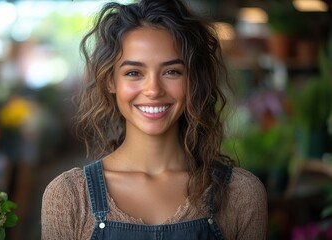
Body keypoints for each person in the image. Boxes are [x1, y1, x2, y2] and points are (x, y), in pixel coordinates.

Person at [42, 0, 268, 239]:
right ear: (110, 81)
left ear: (193, 80)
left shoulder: (240, 193)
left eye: (171, 71)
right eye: (134, 73)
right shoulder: (70, 196)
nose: (153, 89)